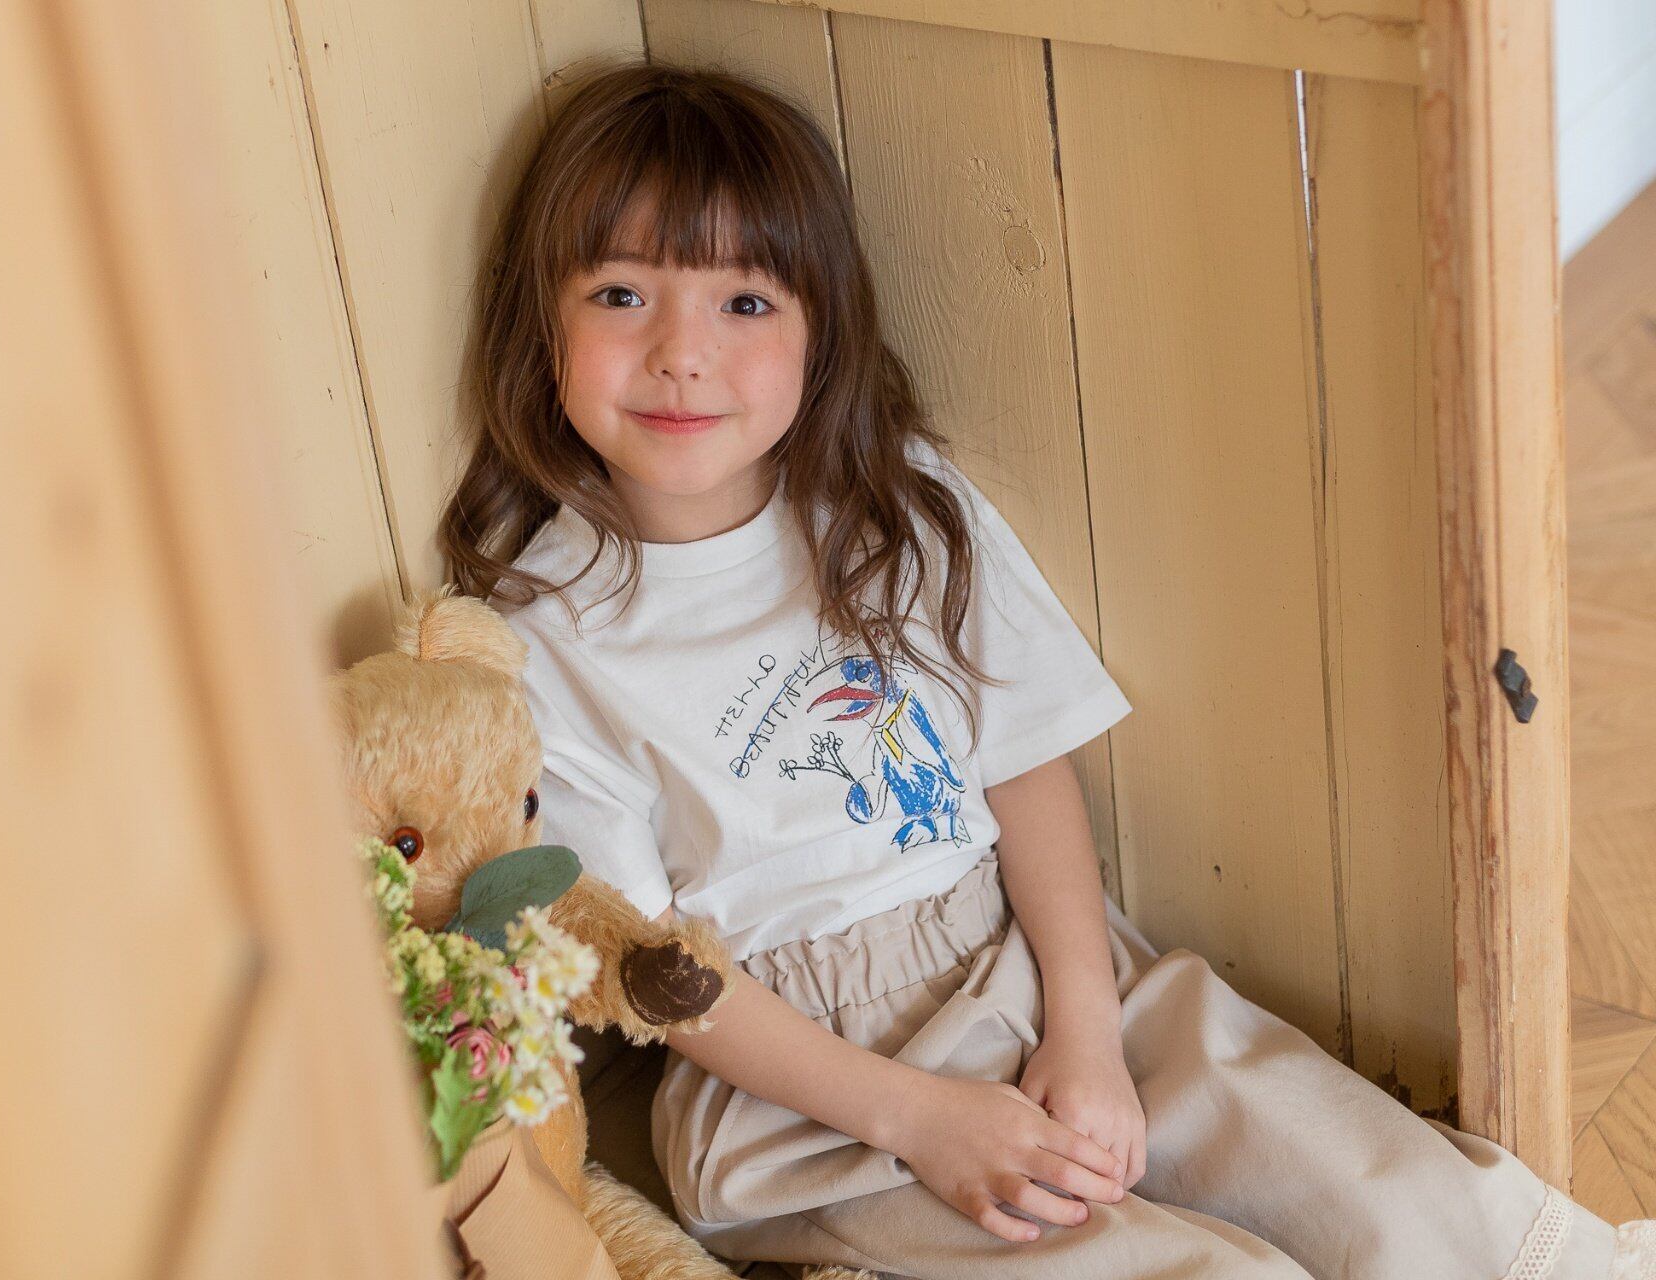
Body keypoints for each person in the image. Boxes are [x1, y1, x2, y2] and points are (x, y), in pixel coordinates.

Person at [441, 59, 1656, 1280]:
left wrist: (1086, 1025)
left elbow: (1024, 766)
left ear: (821, 328)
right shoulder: (547, 640)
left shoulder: (892, 507)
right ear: (540, 322)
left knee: (1350, 1161)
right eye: (620, 293)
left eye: (744, 302)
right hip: (807, 1093)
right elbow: (659, 969)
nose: (681, 354)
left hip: (1030, 953)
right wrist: (920, 1115)